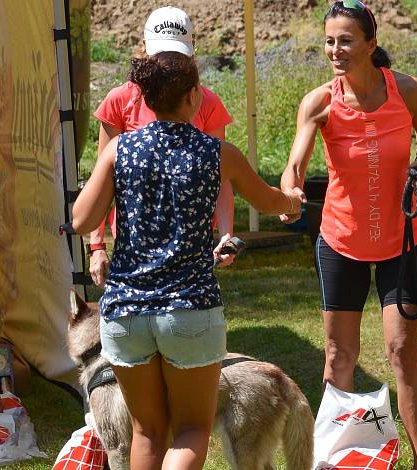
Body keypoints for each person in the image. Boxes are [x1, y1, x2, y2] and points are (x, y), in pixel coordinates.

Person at [71, 50, 304, 470]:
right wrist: (293, 200)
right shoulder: (218, 153)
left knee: (146, 430)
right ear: (195, 95)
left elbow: (81, 218)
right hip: (190, 310)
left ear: (143, 98)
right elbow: (271, 202)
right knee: (192, 429)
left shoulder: (120, 150)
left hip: (125, 312)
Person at [280, 0, 417, 470]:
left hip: (402, 239)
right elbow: (294, 167)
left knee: (402, 348)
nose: (335, 50)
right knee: (338, 354)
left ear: (371, 43)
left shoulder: (408, 91)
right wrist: (290, 196)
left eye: (346, 40)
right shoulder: (319, 102)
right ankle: (334, 459)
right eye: (329, 41)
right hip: (341, 241)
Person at [88, 6, 237, 288]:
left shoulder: (207, 102)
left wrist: (226, 235)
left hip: (192, 239)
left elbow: (222, 177)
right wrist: (97, 248)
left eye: (177, 55)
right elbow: (102, 179)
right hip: (134, 239)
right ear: (144, 50)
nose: (168, 63)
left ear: (192, 52)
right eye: (161, 54)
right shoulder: (119, 100)